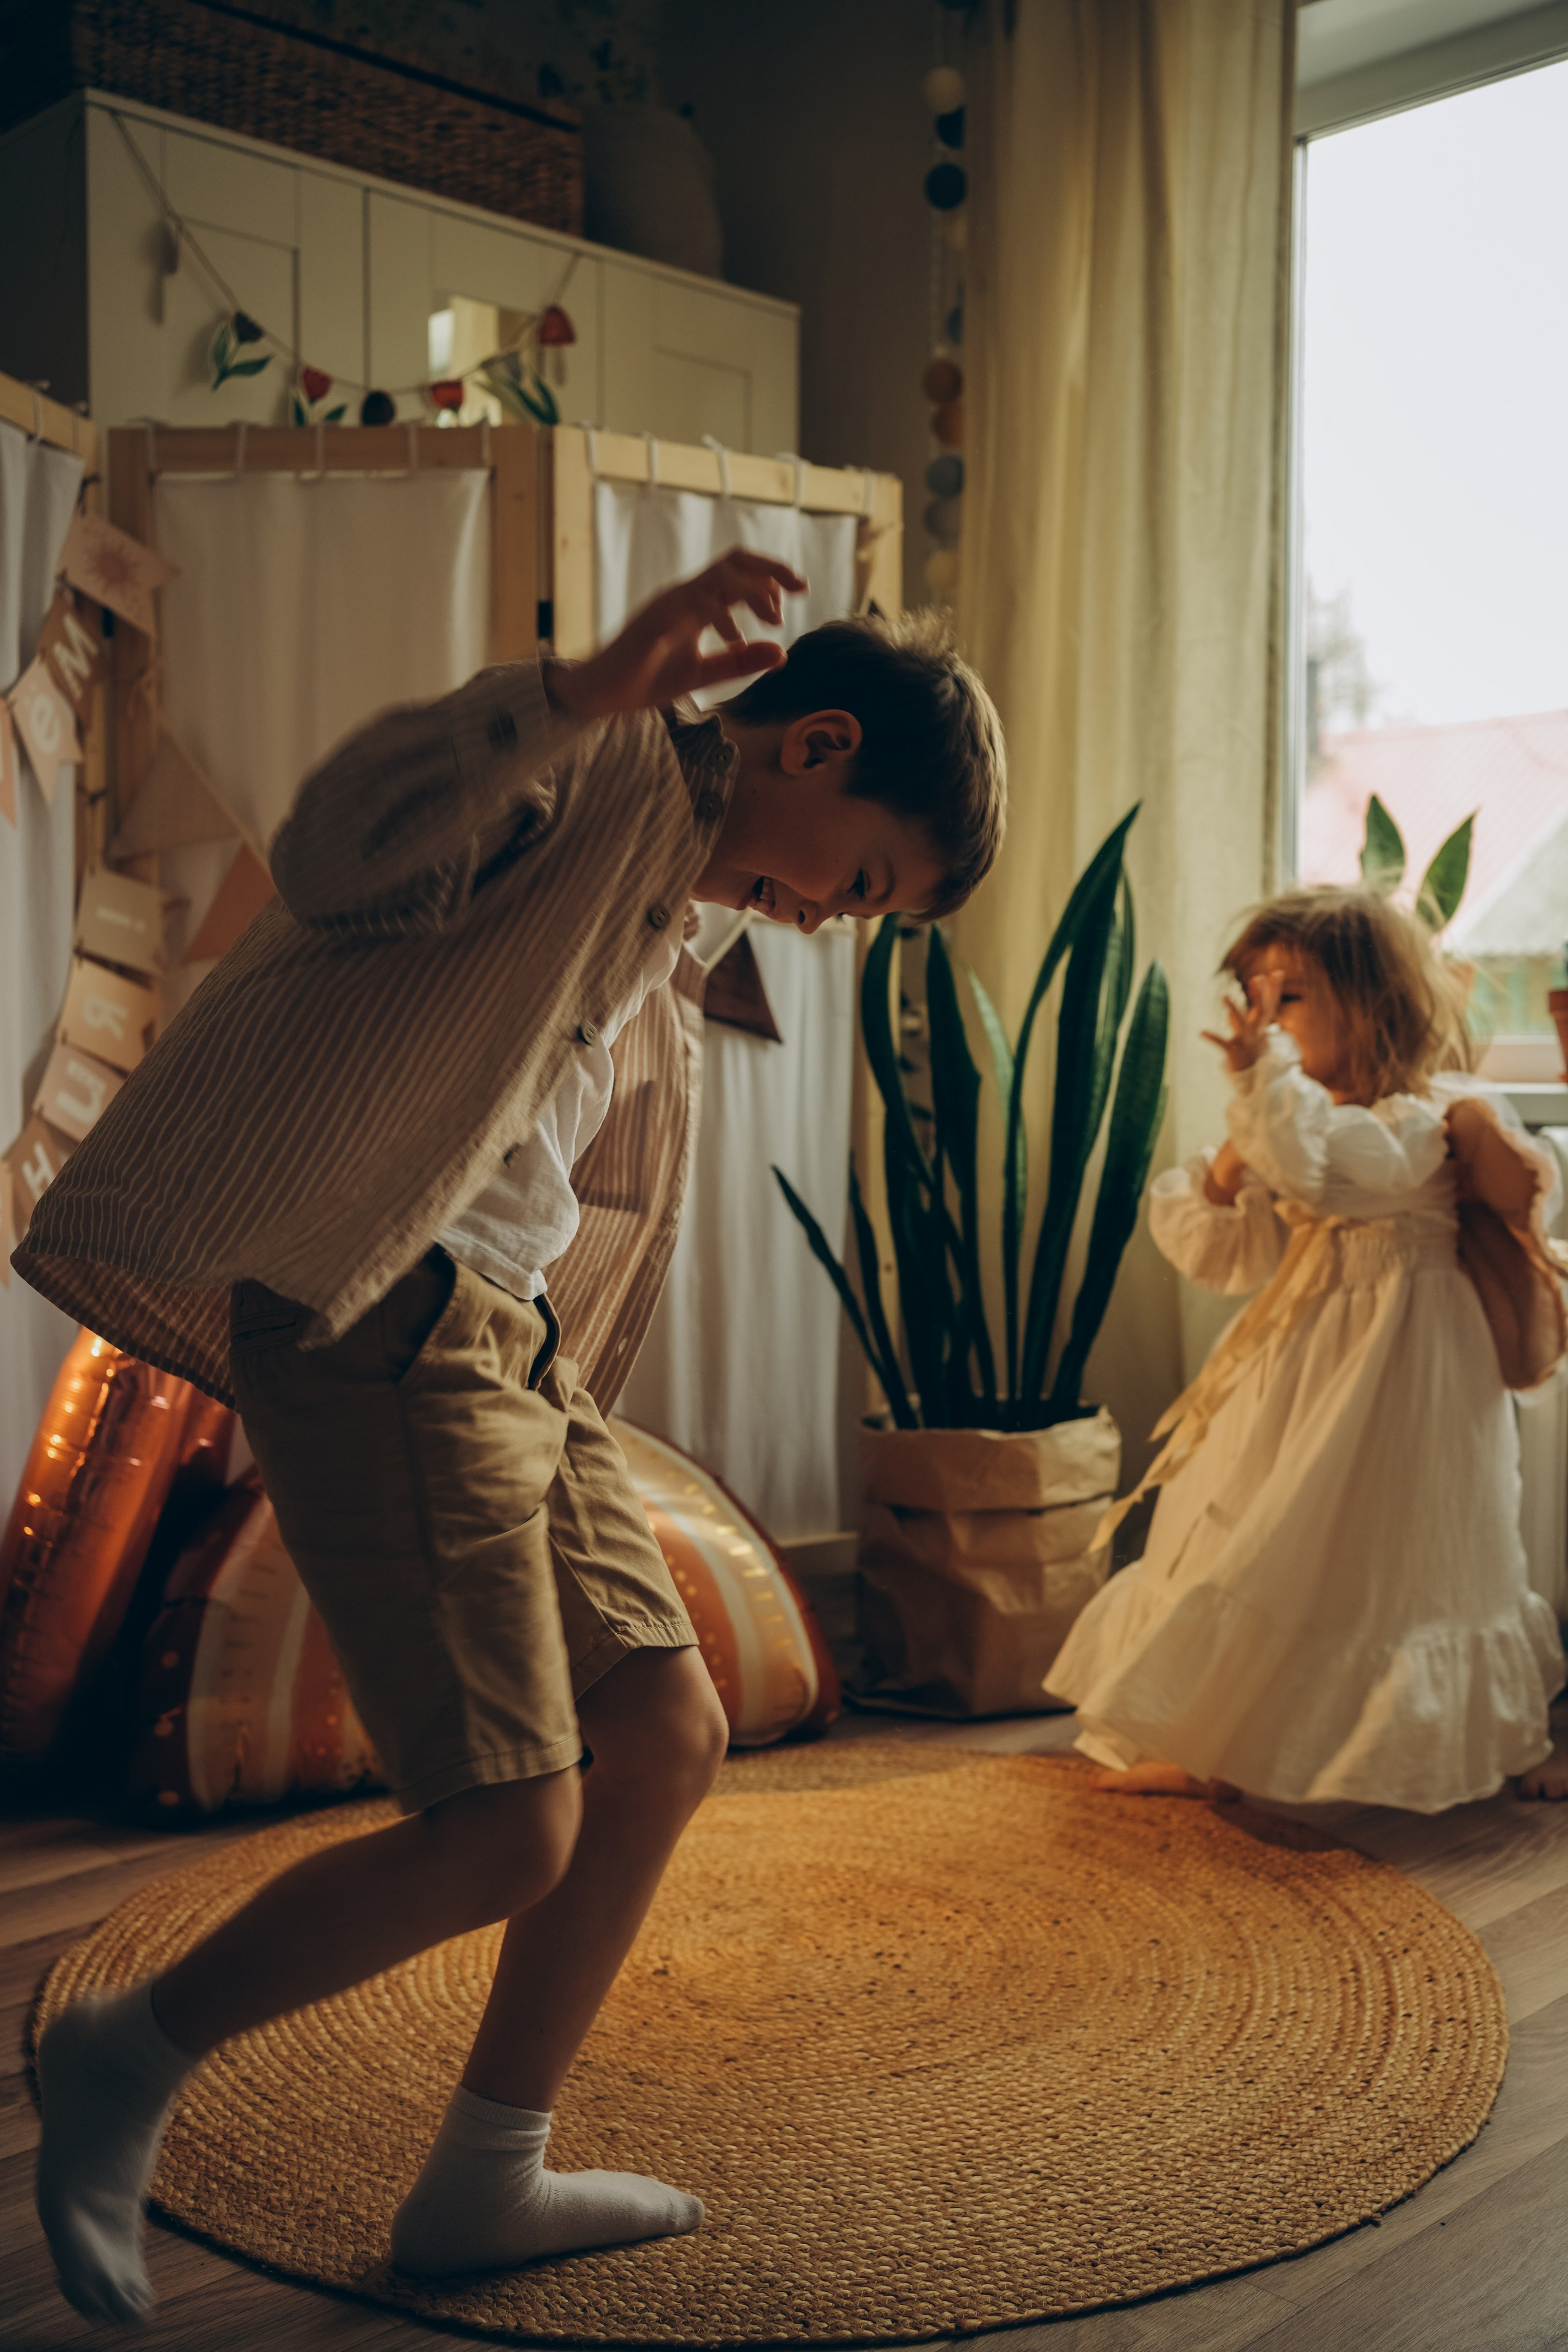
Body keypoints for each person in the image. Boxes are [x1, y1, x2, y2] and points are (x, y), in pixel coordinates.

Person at [15, 549, 1007, 2328]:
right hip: (395, 1324)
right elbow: (333, 856)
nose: (837, 917)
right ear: (818, 742)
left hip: (507, 1344)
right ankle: (122, 2057)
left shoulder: (685, 885)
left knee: (669, 1730)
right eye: (860, 878)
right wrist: (581, 691)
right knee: (505, 1826)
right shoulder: (611, 771)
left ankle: (483, 2178)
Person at [1047, 886, 1567, 1811]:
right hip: (1299, 1362)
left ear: (1372, 1005)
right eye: (1254, 996)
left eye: (1289, 999)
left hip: (1402, 1377)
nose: (1264, 1022)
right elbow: (1225, 1253)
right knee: (1246, 1525)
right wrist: (1230, 1160)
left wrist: (1261, 1096)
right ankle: (1210, 1735)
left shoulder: (1418, 1124)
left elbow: (1325, 1170)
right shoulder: (1296, 1120)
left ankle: (1436, 1746)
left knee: (1395, 1551)